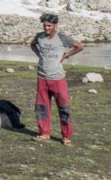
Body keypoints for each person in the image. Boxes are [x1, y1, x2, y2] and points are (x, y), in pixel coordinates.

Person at [29, 13, 83, 146]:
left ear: (55, 25)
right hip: (42, 77)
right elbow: (32, 45)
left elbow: (79, 47)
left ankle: (66, 136)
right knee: (42, 107)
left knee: (63, 107)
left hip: (58, 78)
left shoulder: (61, 38)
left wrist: (66, 55)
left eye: (49, 25)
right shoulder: (39, 37)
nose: (46, 28)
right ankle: (44, 133)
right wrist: (40, 56)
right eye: (45, 25)